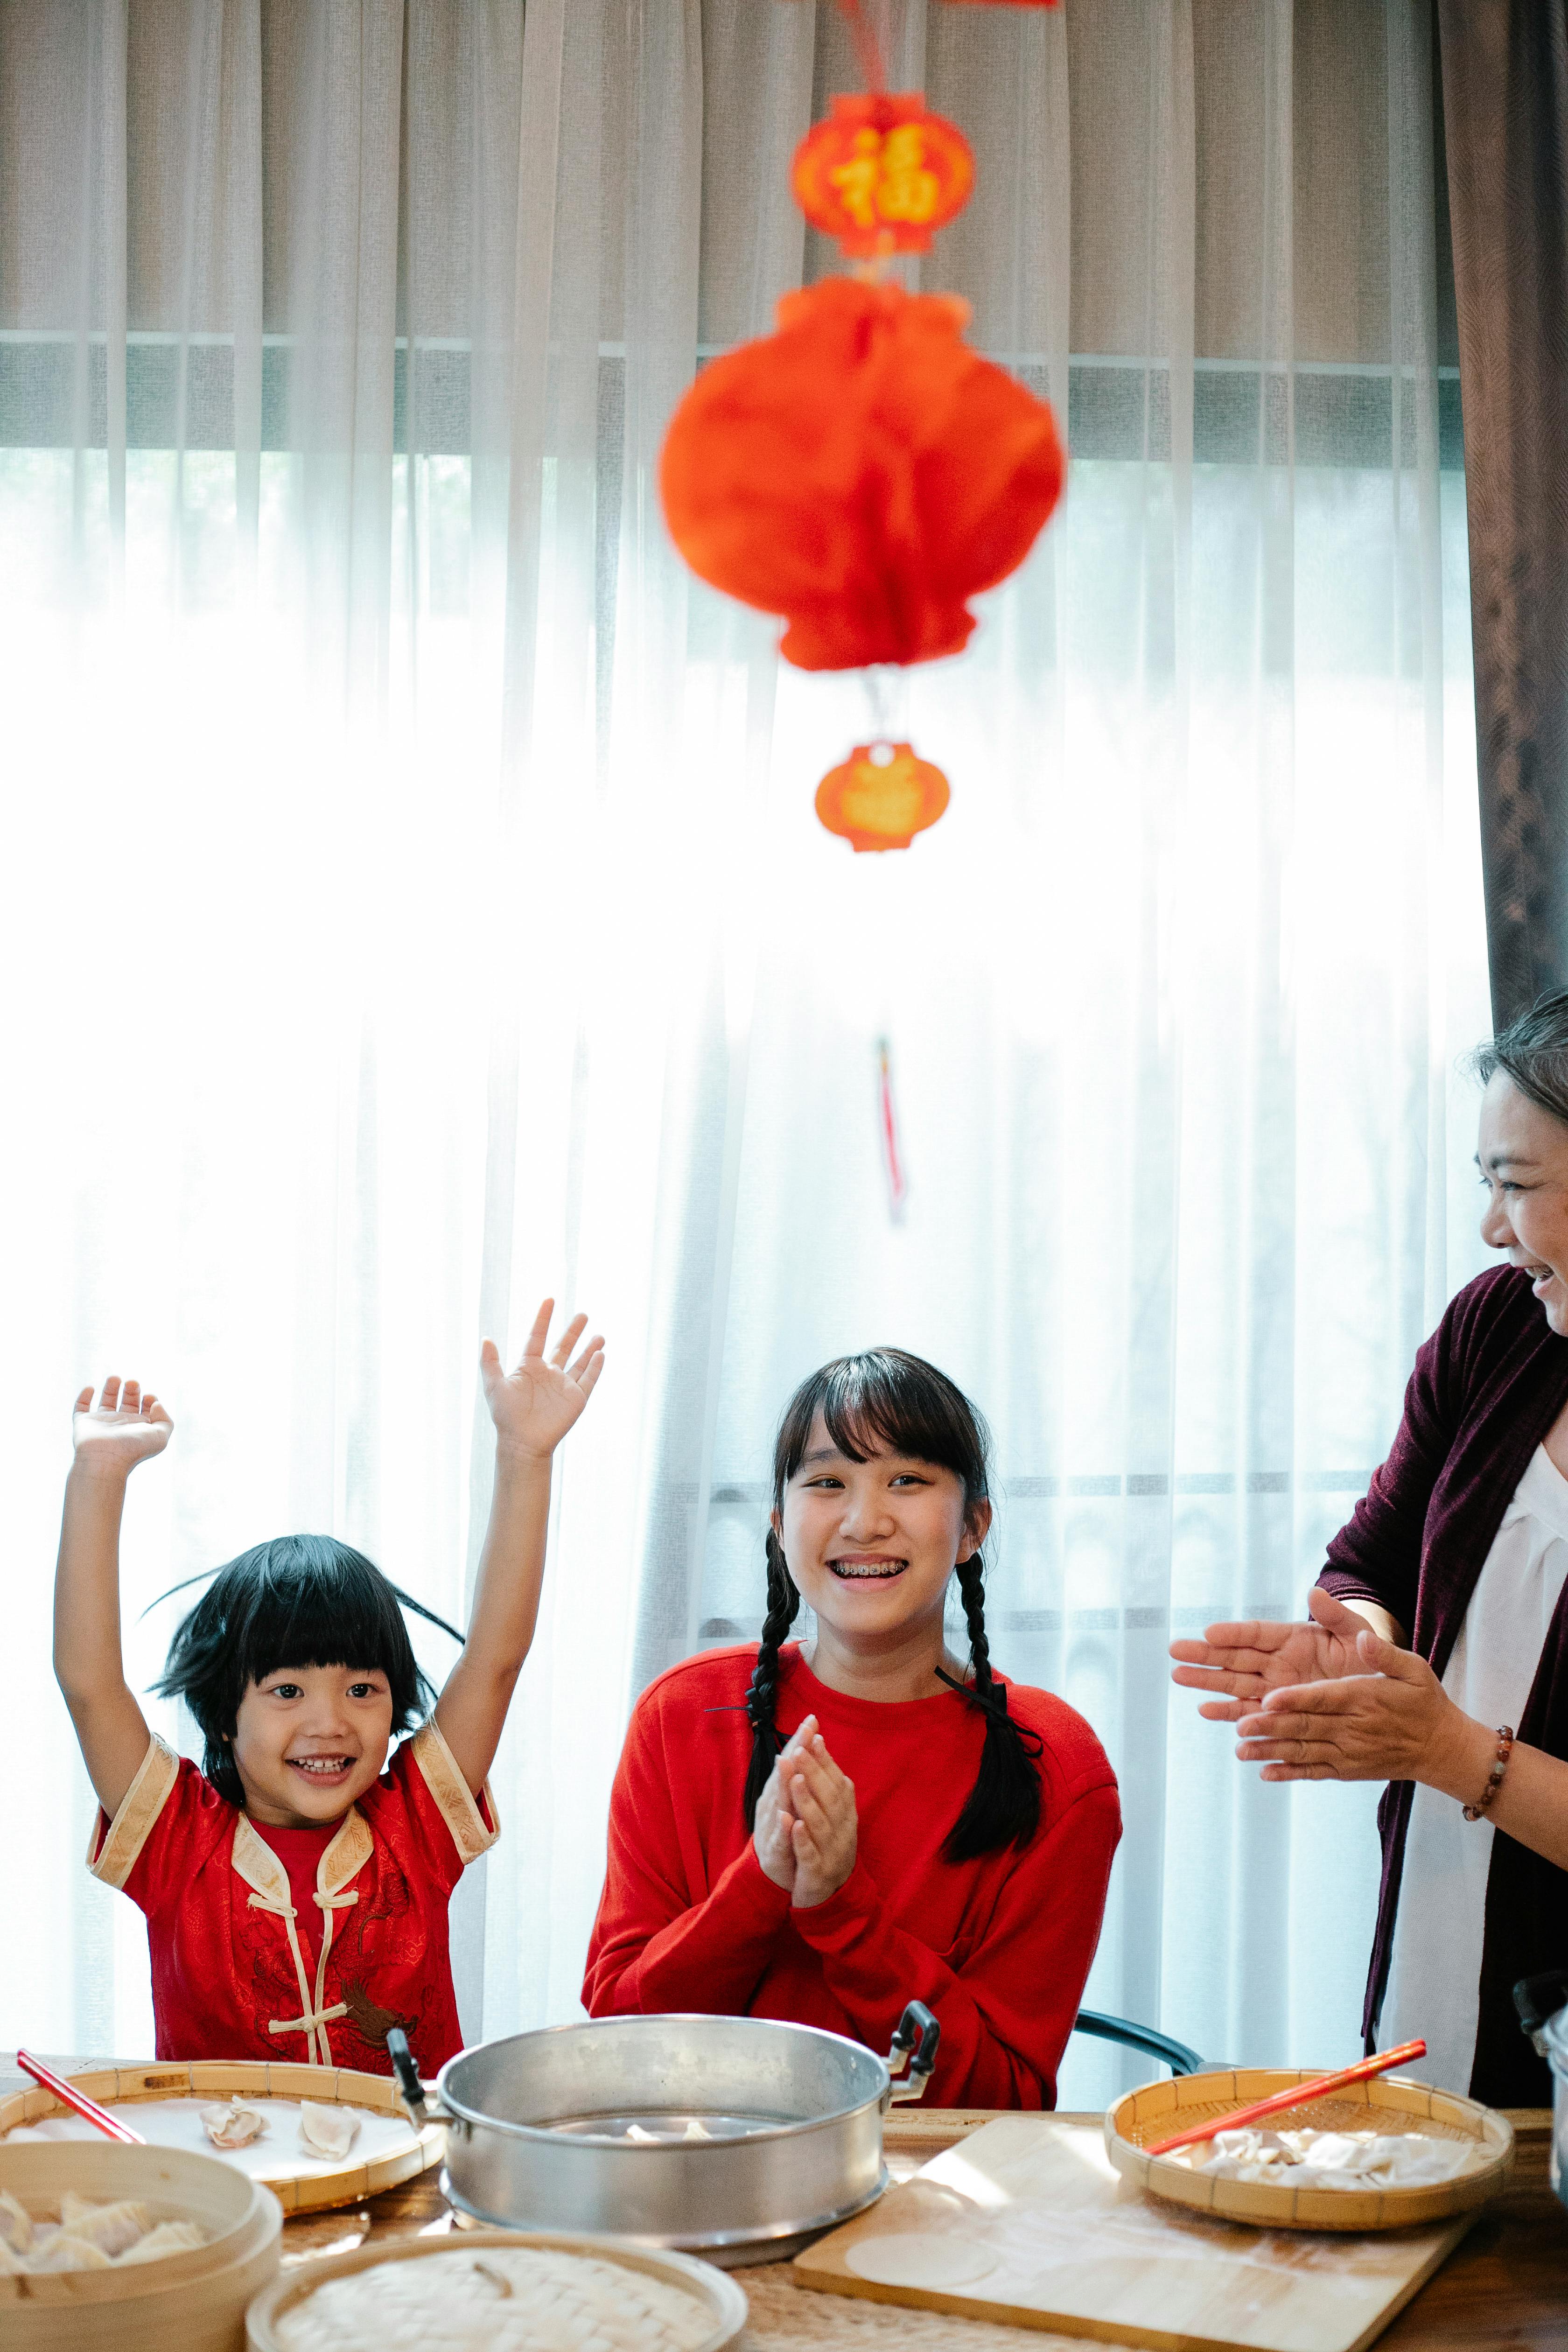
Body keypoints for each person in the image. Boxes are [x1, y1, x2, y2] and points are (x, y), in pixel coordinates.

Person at [1171, 989, 1568, 2106]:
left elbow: (1453, 1746)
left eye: (1517, 1185)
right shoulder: (1499, 1329)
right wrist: (1362, 1645)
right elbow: (1373, 1557)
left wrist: (1454, 1753)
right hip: (1440, 1934)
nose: (1492, 1226)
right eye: (1486, 1183)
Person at [55, 1299, 603, 2077]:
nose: (330, 1723)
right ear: (221, 1717)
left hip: (411, 2177)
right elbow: (87, 1683)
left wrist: (526, 1455)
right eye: (286, 1691)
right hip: (235, 2187)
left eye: (362, 1690)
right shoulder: (176, 1843)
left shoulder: (417, 1828)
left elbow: (496, 1660)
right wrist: (98, 1476)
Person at [583, 1348, 1121, 2107]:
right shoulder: (682, 1718)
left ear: (972, 1527)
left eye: (907, 1480)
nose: (865, 1522)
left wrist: (843, 1910)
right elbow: (618, 2043)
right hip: (695, 2182)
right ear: (779, 1525)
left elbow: (1003, 2101)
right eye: (828, 1482)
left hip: (932, 2204)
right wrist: (760, 1884)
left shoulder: (1056, 1767)